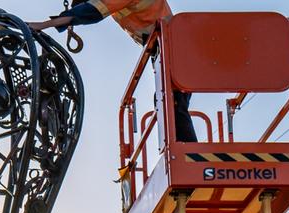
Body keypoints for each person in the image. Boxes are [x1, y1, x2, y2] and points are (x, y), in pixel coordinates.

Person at [29, 0, 198, 143]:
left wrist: (43, 25)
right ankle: (181, 154)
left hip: (175, 47)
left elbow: (90, 12)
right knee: (168, 101)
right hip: (170, 48)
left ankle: (186, 157)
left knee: (171, 102)